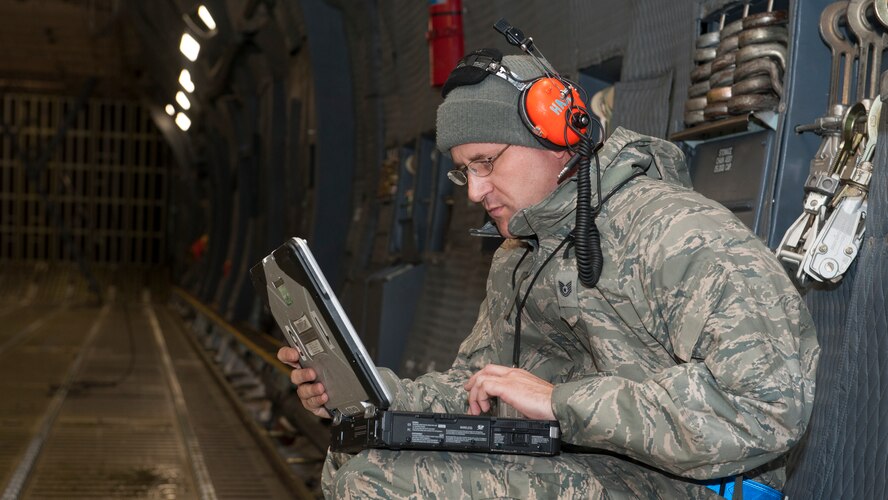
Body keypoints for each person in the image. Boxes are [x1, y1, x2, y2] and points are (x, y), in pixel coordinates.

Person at [277, 51, 819, 498]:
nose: (474, 191)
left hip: (690, 482)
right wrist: (369, 394)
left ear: (557, 134)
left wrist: (560, 403)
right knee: (359, 455)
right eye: (464, 170)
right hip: (594, 466)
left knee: (382, 484)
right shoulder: (522, 252)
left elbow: (765, 406)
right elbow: (479, 391)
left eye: (487, 162)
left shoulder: (676, 232)